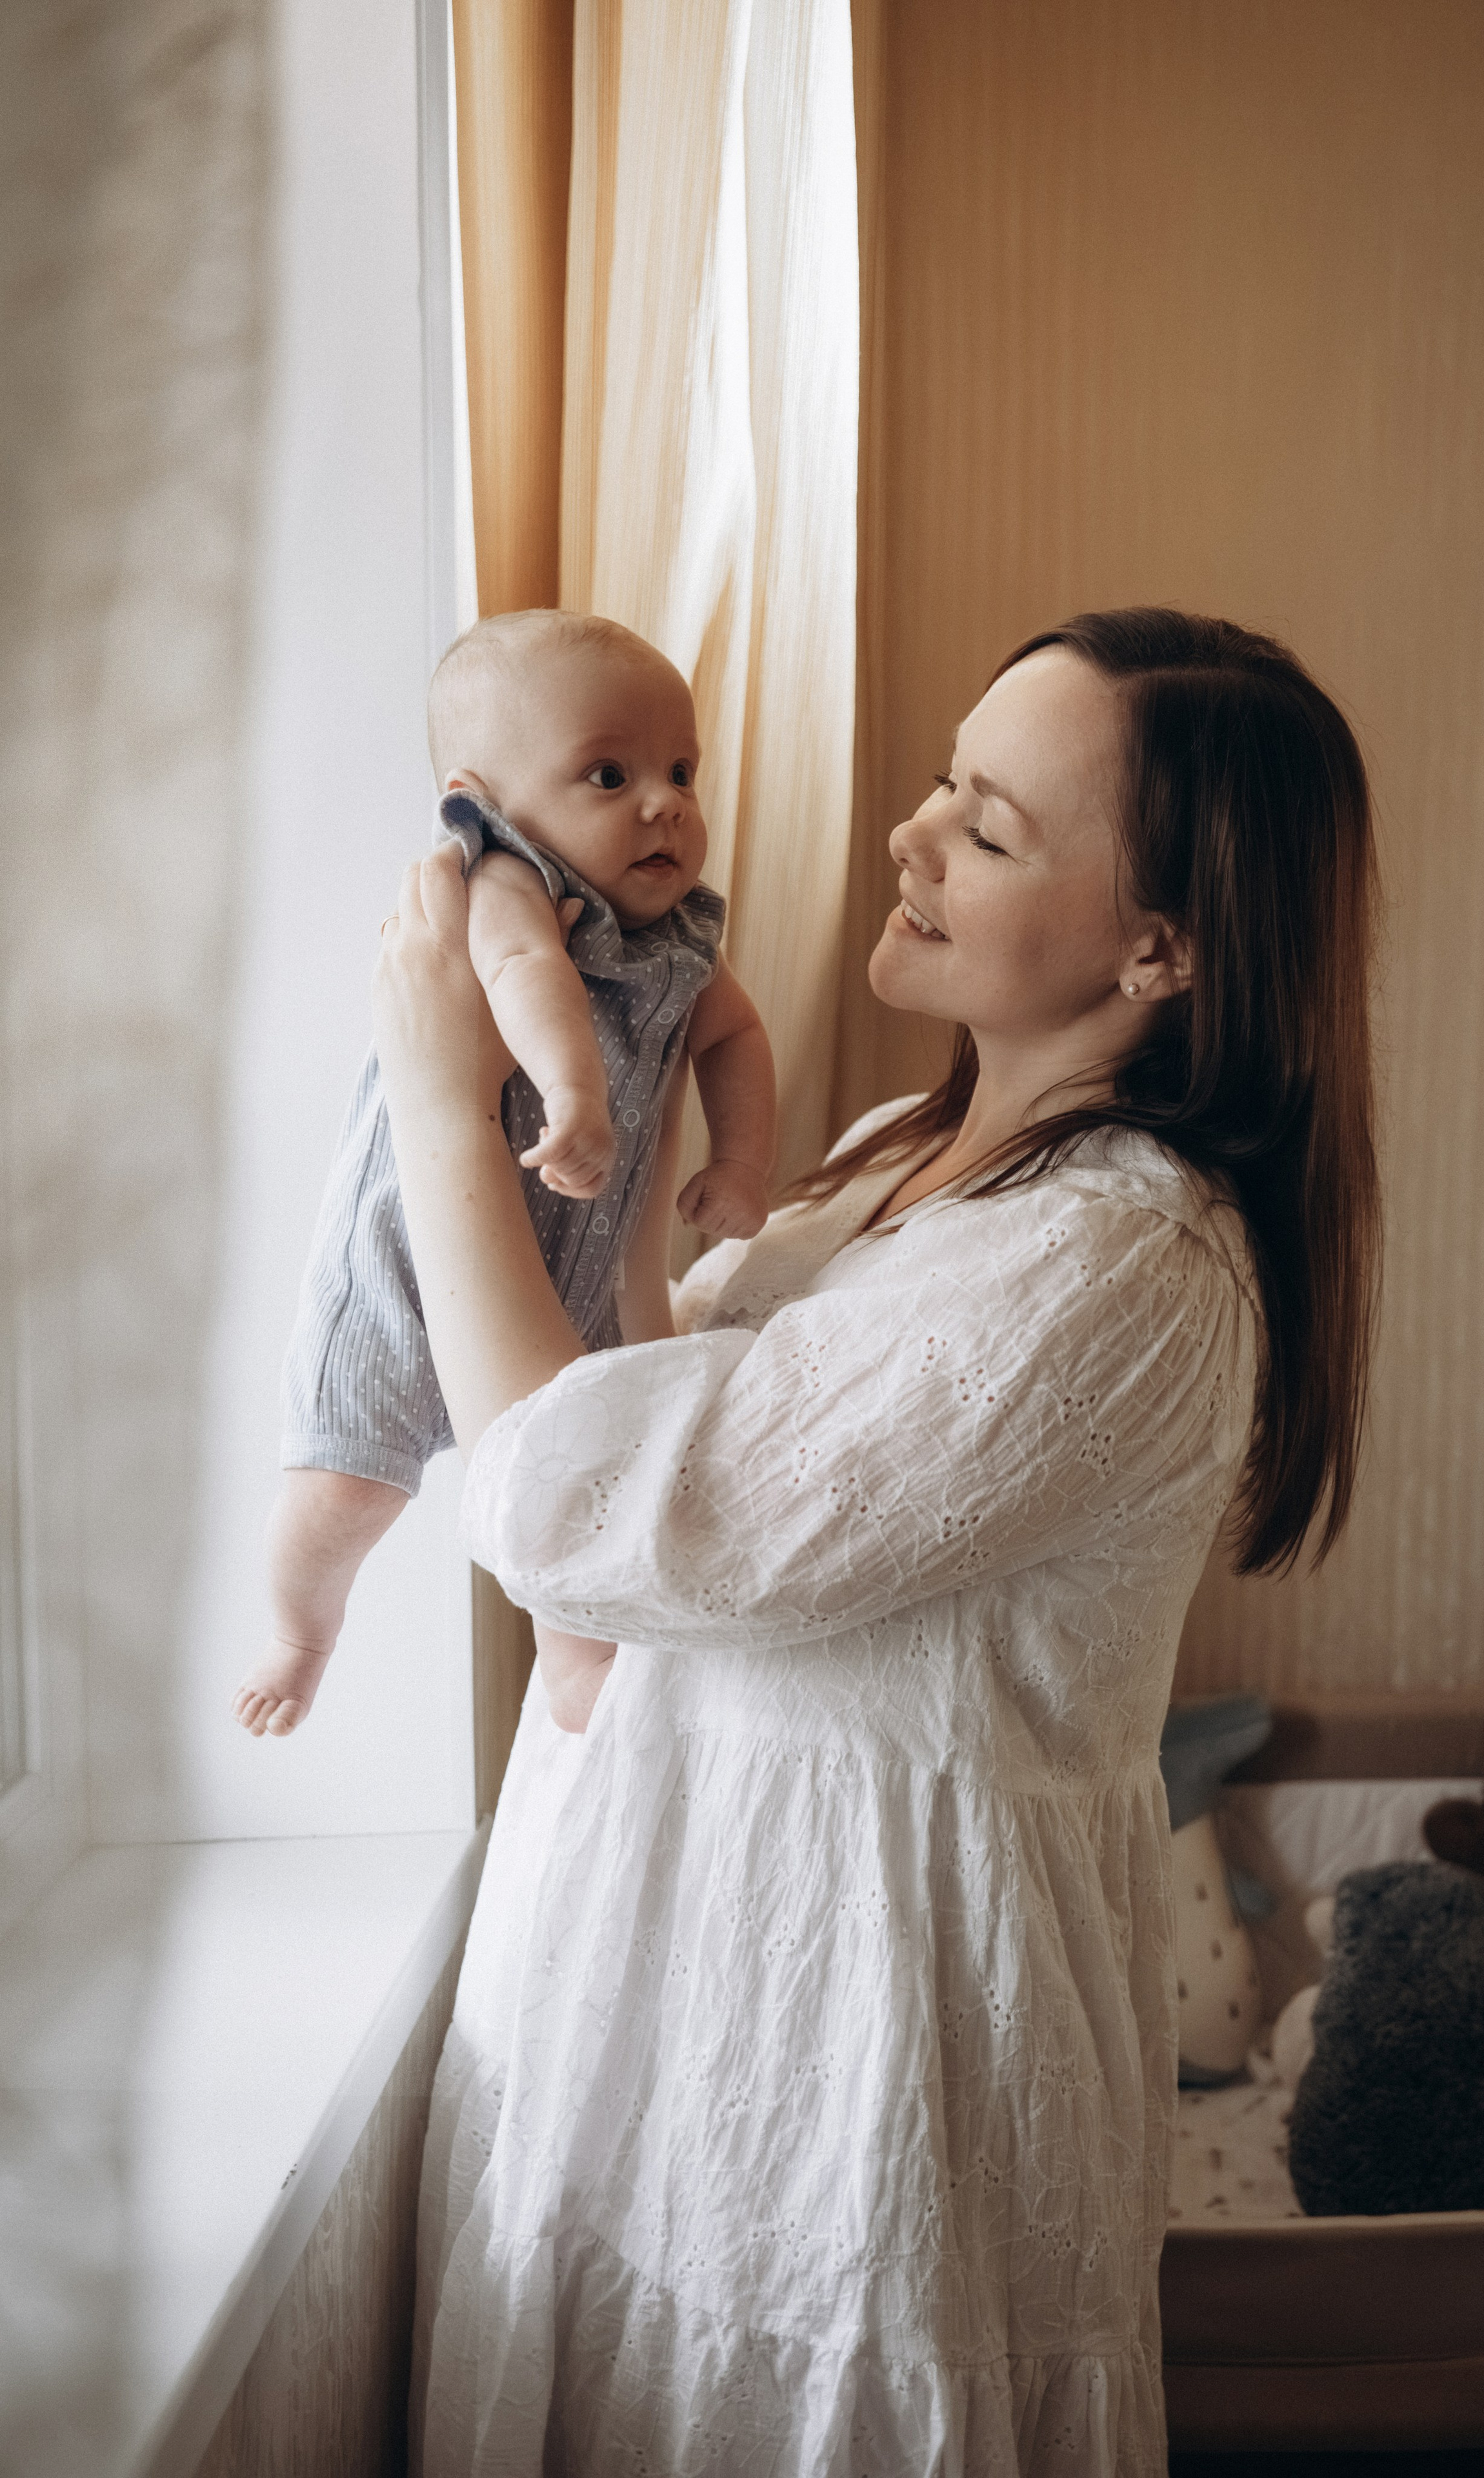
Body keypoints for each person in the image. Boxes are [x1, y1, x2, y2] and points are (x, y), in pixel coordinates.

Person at [384, 610, 1380, 2475]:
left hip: (851, 2088)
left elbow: (594, 1510)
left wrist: (444, 1106)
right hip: (657, 2002)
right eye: (942, 779)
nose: (914, 834)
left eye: (988, 826)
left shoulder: (1117, 1265)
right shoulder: (880, 1164)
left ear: (1162, 947)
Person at [232, 610, 776, 1742]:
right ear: (483, 799)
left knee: (577, 1470)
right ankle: (298, 1630)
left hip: (569, 1278)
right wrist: (574, 1096)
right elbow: (528, 977)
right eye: (610, 773)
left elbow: (735, 1040)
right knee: (345, 1488)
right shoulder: (503, 882)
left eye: (681, 771)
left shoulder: (681, 938)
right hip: (412, 1264)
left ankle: (575, 1660)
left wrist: (741, 1162)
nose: (663, 803)